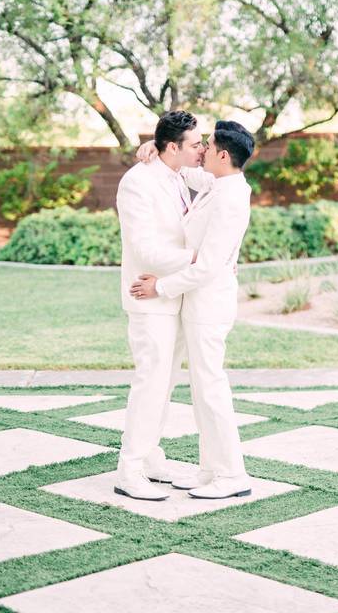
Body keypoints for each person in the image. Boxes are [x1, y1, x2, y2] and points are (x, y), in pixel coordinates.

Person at [129, 120, 255, 499]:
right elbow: (182, 168)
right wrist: (155, 148)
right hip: (198, 305)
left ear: (222, 155)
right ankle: (210, 469)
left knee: (212, 390)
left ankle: (233, 475)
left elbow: (206, 267)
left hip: (208, 307)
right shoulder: (219, 183)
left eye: (207, 145)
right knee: (202, 391)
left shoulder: (232, 197)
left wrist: (159, 287)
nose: (200, 150)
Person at [113, 110, 206, 502]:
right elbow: (144, 248)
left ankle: (151, 457)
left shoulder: (181, 172)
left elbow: (226, 175)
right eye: (197, 143)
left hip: (175, 296)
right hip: (148, 298)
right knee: (150, 383)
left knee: (165, 385)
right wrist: (200, 259)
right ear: (174, 147)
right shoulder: (137, 183)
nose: (203, 149)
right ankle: (128, 470)